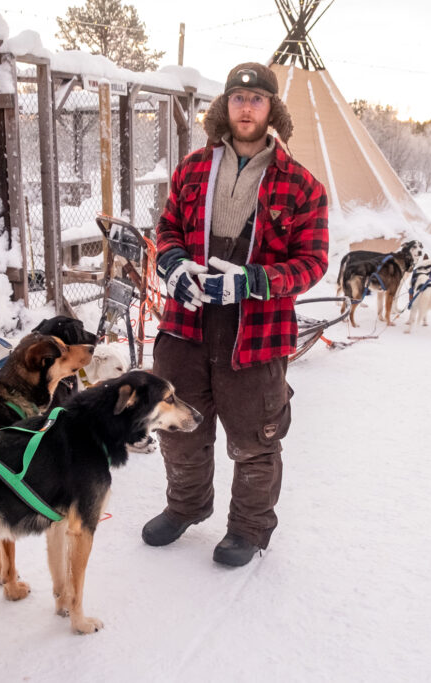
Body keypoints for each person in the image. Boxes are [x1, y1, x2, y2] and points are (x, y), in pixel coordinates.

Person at [144, 62, 329, 567]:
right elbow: (167, 227)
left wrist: (252, 282)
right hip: (187, 322)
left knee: (256, 437)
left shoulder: (301, 185)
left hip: (257, 330)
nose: (246, 106)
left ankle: (247, 529)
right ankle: (185, 506)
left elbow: (312, 262)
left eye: (257, 98)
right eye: (237, 98)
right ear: (224, 106)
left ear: (273, 110)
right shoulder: (193, 168)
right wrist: (172, 262)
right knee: (178, 424)